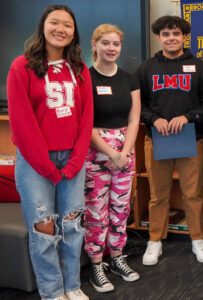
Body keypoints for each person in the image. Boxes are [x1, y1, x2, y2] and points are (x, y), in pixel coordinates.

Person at [7, 5, 92, 300]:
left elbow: (86, 119)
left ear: (73, 32)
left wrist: (75, 161)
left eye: (67, 25)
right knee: (44, 231)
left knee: (73, 226)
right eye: (54, 23)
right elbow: (21, 123)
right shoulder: (22, 66)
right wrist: (46, 166)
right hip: (35, 165)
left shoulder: (80, 69)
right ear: (43, 26)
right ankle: (53, 292)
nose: (60, 29)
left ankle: (72, 285)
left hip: (73, 161)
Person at [136, 15, 203, 266]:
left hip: (191, 138)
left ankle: (197, 239)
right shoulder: (146, 68)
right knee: (158, 195)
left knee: (192, 193)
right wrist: (152, 119)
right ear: (159, 38)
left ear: (184, 36)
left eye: (176, 34)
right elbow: (138, 104)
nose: (171, 38)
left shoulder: (200, 67)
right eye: (166, 34)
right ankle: (155, 240)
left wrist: (188, 117)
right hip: (157, 138)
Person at [84, 24, 141, 292]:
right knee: (96, 212)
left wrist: (124, 153)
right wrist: (111, 152)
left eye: (116, 44)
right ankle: (97, 263)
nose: (111, 48)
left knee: (120, 210)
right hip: (95, 150)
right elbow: (84, 122)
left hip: (125, 150)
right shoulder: (84, 77)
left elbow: (134, 117)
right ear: (94, 44)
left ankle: (117, 257)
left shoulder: (129, 78)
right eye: (105, 43)